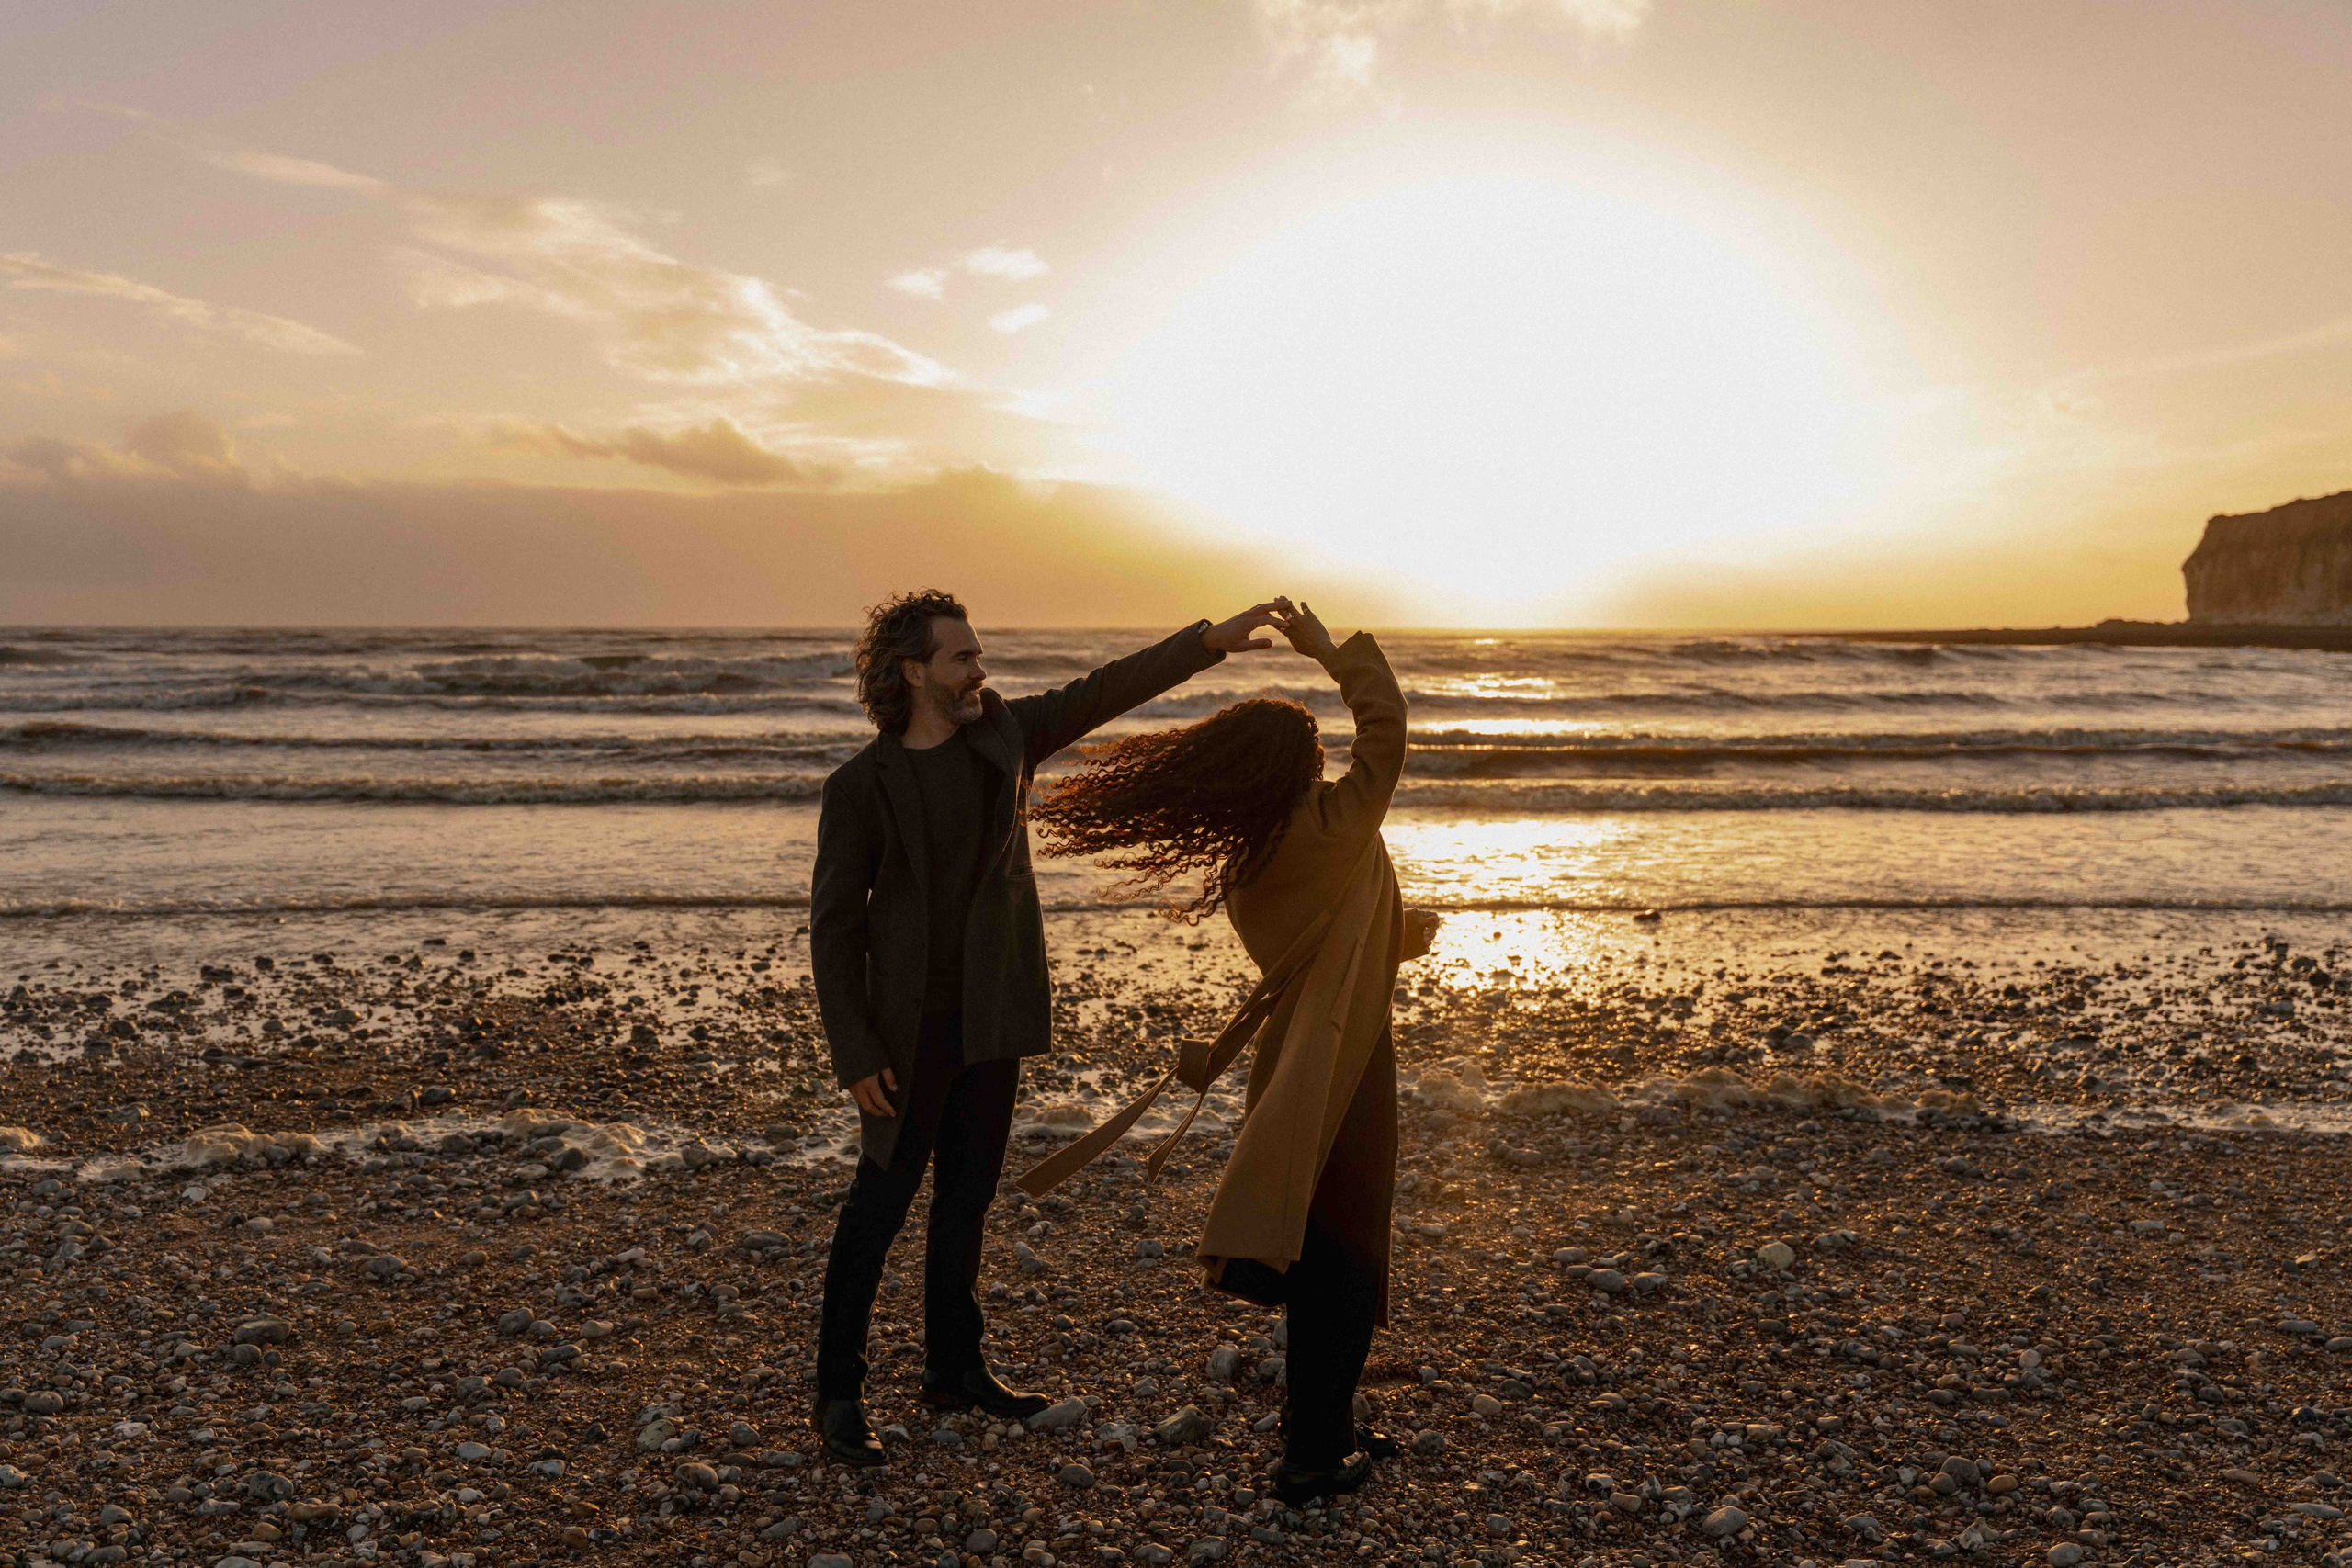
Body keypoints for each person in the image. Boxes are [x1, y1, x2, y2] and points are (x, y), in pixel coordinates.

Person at [808, 589, 1288, 1466]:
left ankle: (956, 1368)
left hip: (992, 1019)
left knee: (966, 1203)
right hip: (903, 1038)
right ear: (912, 671)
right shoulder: (859, 789)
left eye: (978, 654)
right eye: (962, 657)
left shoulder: (1006, 737)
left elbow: (1103, 689)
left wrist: (1207, 643)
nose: (980, 670)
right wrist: (857, 1052)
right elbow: (835, 930)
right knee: (876, 1209)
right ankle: (838, 1391)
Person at [1022, 599, 1428, 1506]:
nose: (1329, 758)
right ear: (1290, 768)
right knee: (1347, 1261)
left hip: (1298, 1059)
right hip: (1344, 1066)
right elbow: (1388, 731)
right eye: (1312, 750)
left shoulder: (1255, 856)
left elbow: (1318, 936)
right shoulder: (1328, 828)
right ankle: (1314, 1456)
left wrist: (1395, 928)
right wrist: (1332, 653)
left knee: (1323, 1247)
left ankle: (1325, 1426)